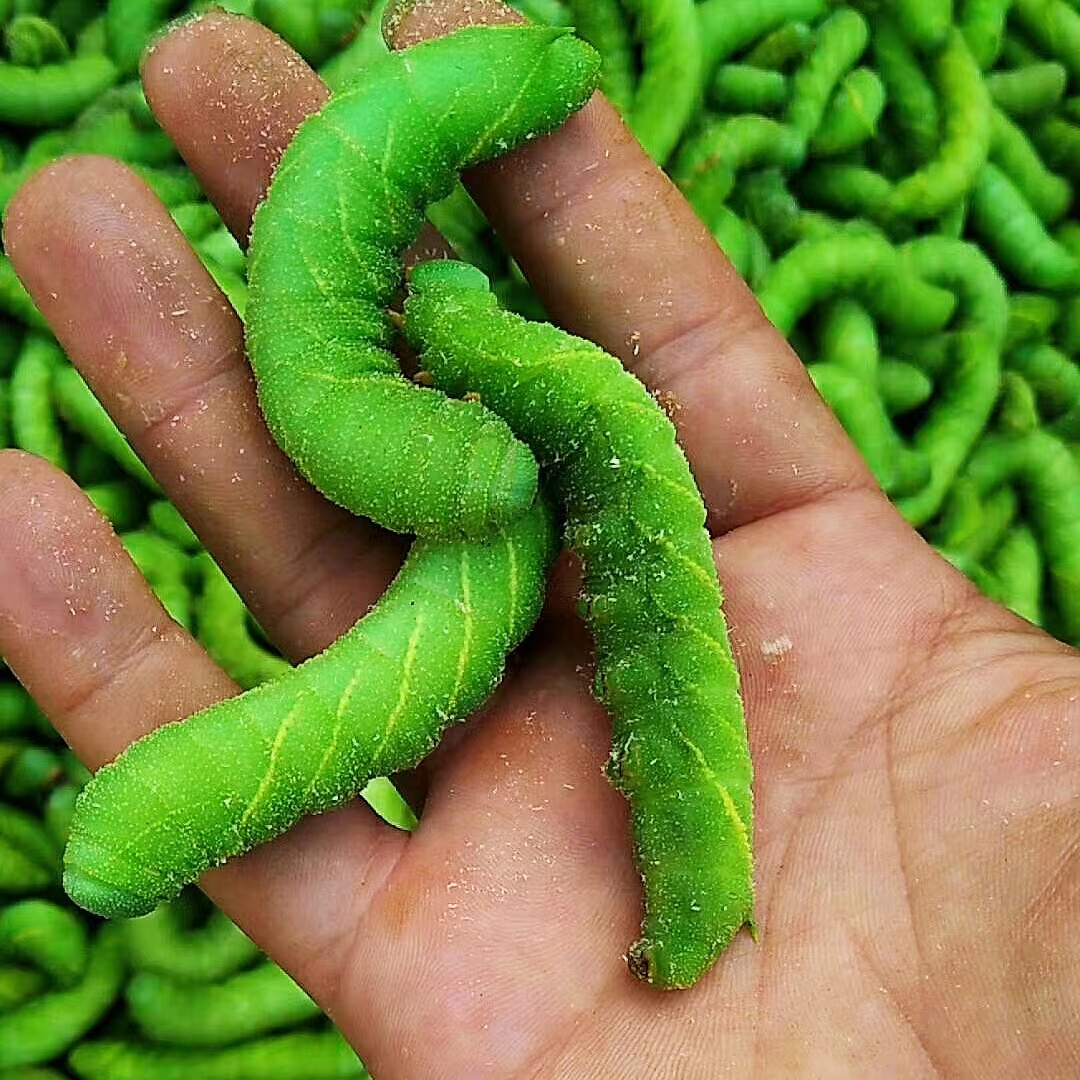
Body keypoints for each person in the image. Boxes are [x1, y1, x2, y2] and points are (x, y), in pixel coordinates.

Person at [1, 2, 1076, 1076]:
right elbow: (494, 466)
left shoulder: (496, 446)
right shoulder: (514, 447)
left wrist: (461, 333)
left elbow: (496, 466)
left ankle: (698, 914)